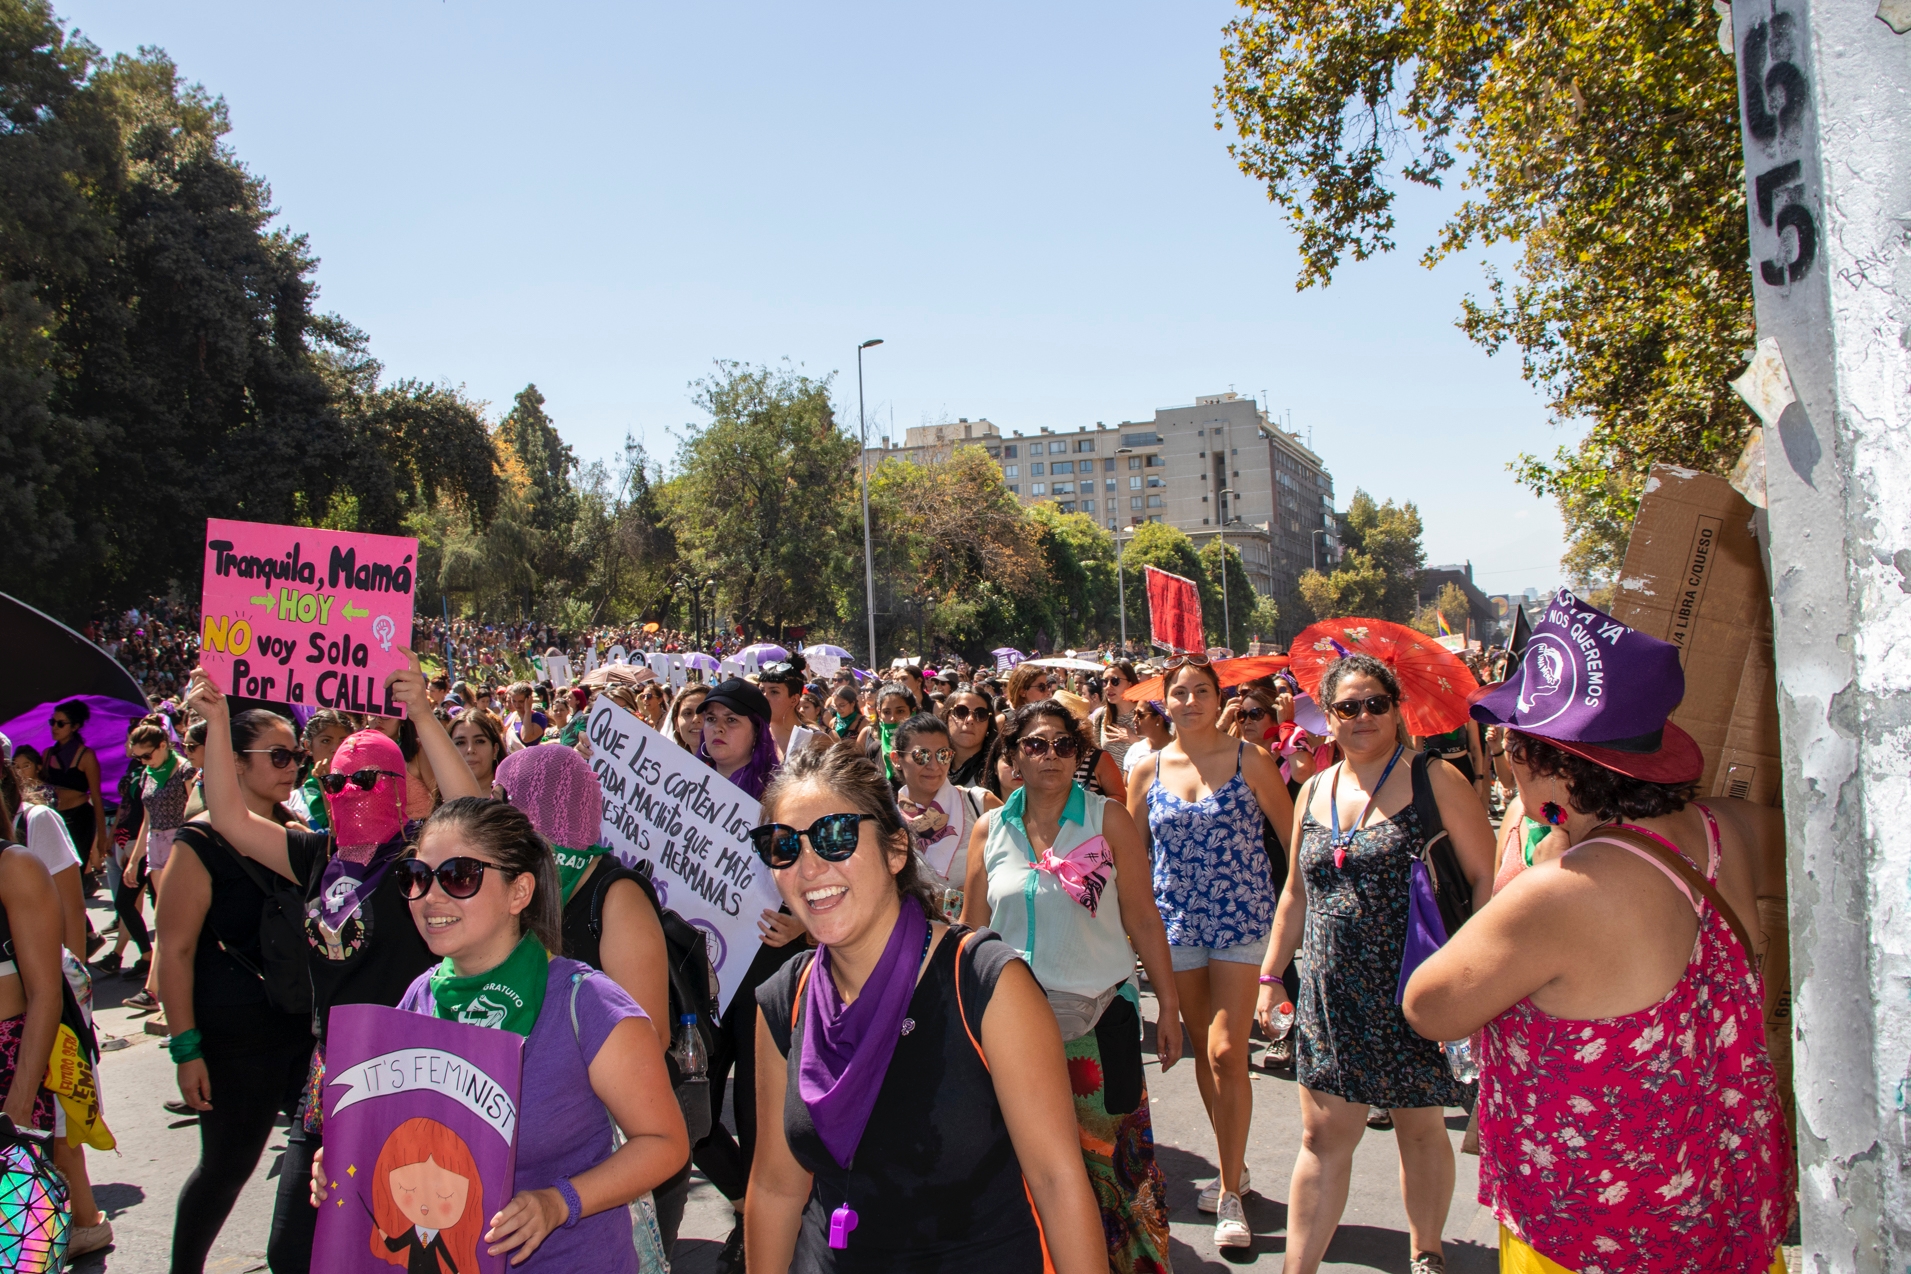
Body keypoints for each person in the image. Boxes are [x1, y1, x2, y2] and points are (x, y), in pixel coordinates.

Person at [1403, 593, 1793, 1274]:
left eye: (1513, 746)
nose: (1505, 762)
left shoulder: (1562, 891)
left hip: (1598, 1231)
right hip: (1728, 1208)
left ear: (1551, 760)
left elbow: (1430, 1005)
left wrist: (1534, 866)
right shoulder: (1723, 827)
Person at [745, 746, 1106, 1273]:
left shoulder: (985, 982)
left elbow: (1057, 1182)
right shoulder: (785, 999)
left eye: (836, 835)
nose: (809, 866)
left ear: (895, 851)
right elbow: (776, 1188)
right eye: (783, 846)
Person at [312, 798, 689, 1271]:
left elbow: (665, 1143)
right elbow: (403, 1135)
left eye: (459, 876)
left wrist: (559, 1202)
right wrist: (345, 1160)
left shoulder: (586, 1003)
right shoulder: (420, 997)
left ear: (519, 892)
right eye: (417, 876)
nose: (430, 896)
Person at [189, 651, 484, 1230]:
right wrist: (219, 719)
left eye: (367, 779)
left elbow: (473, 807)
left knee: (397, 1236)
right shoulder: (314, 852)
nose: (349, 790)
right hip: (331, 1070)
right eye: (335, 780)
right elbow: (227, 817)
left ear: (398, 784)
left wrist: (422, 713)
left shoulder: (422, 855)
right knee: (294, 1248)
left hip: (412, 1066)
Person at [1257, 653, 1495, 1274]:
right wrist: (1269, 976)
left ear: (1396, 711)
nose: (1363, 717)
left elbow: (1483, 878)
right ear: (1327, 718)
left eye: (1375, 704)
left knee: (1420, 1126)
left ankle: (1427, 1251)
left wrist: (1474, 978)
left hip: (1417, 986)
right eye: (1348, 707)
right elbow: (1294, 894)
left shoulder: (1435, 779)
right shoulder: (1313, 787)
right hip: (1332, 992)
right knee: (1323, 1135)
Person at [958, 703, 1181, 1272]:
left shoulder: (1109, 821)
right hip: (1010, 1031)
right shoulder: (990, 829)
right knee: (1024, 1169)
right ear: (1011, 757)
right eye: (1034, 745)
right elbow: (971, 931)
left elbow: (1143, 917)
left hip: (1101, 1023)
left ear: (1081, 756)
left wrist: (1172, 1008)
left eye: (1062, 744)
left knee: (1113, 1171)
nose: (1050, 755)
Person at [1128, 654, 1296, 1248]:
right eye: (1180, 692)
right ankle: (1236, 1162)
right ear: (1164, 702)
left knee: (1229, 1051)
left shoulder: (1253, 761)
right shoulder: (1146, 770)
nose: (1191, 701)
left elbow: (1292, 837)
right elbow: (1130, 856)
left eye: (1203, 691)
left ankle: (1228, 1195)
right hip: (1178, 928)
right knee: (1205, 1053)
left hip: (1243, 921)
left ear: (1216, 698)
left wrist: (1293, 916)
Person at [496, 744, 691, 1250]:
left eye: (505, 798)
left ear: (535, 805)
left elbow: (650, 1030)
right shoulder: (514, 888)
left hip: (615, 1139)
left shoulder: (614, 892)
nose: (493, 811)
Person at [158, 708, 316, 1274]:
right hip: (233, 1043)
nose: (292, 765)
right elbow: (172, 951)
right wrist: (186, 1048)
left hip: (303, 1033)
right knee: (227, 1167)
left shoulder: (300, 838)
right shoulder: (198, 842)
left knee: (324, 1158)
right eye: (278, 756)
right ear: (235, 764)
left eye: (298, 755)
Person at [688, 679, 806, 1270]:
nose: (716, 728)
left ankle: (765, 1233)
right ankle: (743, 1200)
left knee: (764, 1115)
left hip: (764, 975)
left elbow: (822, 875)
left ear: (759, 730)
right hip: (699, 980)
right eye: (709, 717)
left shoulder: (783, 800)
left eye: (731, 719)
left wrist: (803, 928)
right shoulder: (680, 793)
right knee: (688, 1108)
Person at [0, 740, 112, 1258]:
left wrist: (19, 1105)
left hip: (8, 1066)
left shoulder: (14, 864)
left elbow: (47, 992)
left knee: (17, 1248)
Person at [889, 713, 999, 922]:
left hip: (976, 942)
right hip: (915, 943)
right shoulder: (889, 823)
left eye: (942, 755)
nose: (934, 765)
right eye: (921, 755)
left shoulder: (979, 803)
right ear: (897, 759)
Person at [126, 717, 198, 1016]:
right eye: (139, 757)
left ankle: (158, 989)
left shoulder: (184, 769)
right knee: (162, 919)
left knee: (176, 919)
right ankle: (156, 989)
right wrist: (134, 859)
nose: (144, 761)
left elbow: (195, 809)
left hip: (179, 842)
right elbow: (146, 818)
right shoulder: (147, 774)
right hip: (155, 844)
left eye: (147, 754)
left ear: (163, 745)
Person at [42, 699, 109, 870]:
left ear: (75, 726)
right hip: (54, 818)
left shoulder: (86, 756)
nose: (54, 727)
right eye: (52, 722)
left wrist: (102, 836)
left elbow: (96, 798)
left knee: (75, 870)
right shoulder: (47, 754)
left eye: (60, 723)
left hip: (80, 819)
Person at [288, 709, 356, 834]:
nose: (335, 749)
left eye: (343, 741)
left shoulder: (363, 794)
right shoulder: (291, 802)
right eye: (326, 741)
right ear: (308, 746)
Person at [760, 659, 825, 760]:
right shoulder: (753, 738)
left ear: (794, 700)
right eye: (762, 690)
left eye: (774, 692)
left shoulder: (818, 741)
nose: (764, 697)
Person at [940, 685, 997, 788]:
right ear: (946, 716)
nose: (970, 720)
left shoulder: (999, 770)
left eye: (981, 714)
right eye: (961, 711)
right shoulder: (930, 763)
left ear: (989, 724)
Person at [856, 684, 917, 780]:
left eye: (900, 711)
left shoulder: (922, 749)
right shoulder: (875, 749)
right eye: (887, 712)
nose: (893, 718)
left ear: (912, 712)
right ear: (879, 713)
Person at [1090, 662, 1142, 769]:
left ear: (1130, 683)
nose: (1108, 686)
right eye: (1104, 682)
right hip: (1111, 784)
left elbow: (1161, 752)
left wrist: (1135, 741)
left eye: (1115, 681)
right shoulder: (1100, 715)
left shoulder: (1146, 713)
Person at [450, 709, 506, 790]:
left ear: (494, 750)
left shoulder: (514, 797)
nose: (470, 750)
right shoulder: (444, 799)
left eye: (479, 741)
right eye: (460, 743)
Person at [1122, 699, 1173, 777]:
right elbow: (1125, 786)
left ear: (1158, 719)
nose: (1134, 719)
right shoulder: (1135, 750)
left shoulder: (1178, 750)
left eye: (1140, 714)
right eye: (1134, 713)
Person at [504, 681, 549, 751]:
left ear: (529, 699)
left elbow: (526, 737)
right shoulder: (510, 718)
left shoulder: (539, 718)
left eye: (521, 701)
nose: (517, 705)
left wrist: (527, 712)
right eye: (514, 701)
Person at [668, 684, 710, 753]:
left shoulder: (732, 763)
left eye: (704, 712)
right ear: (676, 724)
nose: (696, 719)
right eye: (687, 713)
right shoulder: (671, 762)